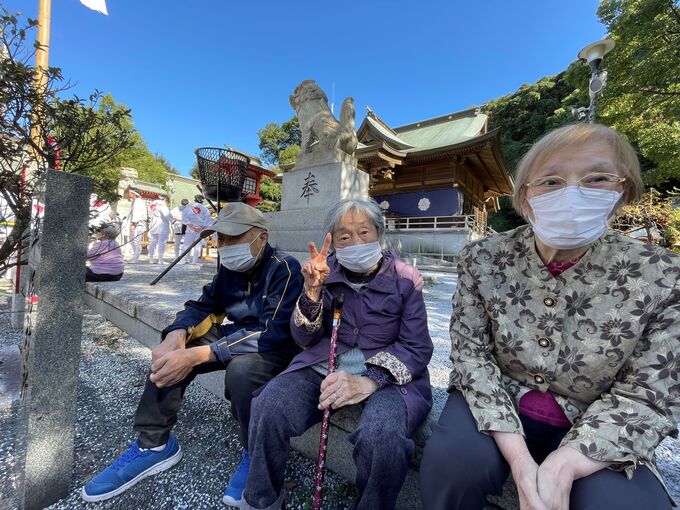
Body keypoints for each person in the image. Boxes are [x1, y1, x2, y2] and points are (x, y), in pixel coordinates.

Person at [419, 123, 679, 510]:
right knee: (453, 462)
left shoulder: (663, 274)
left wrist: (565, 464)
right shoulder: (482, 258)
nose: (572, 193)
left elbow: (650, 393)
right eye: (551, 181)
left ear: (622, 190)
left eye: (597, 178)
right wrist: (521, 461)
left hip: (598, 415)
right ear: (524, 198)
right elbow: (470, 353)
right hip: (497, 396)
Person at [81, 202, 304, 505]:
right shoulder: (229, 268)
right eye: (220, 238)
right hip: (235, 335)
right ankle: (154, 444)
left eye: (233, 237)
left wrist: (201, 355)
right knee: (171, 351)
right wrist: (176, 334)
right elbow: (202, 305)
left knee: (242, 372)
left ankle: (256, 452)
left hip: (274, 346)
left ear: (260, 237)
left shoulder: (285, 268)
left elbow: (272, 332)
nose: (224, 245)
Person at [243, 199, 433, 510]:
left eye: (364, 233)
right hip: (324, 364)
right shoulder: (325, 272)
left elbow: (417, 346)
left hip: (389, 375)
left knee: (382, 436)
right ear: (333, 241)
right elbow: (303, 337)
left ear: (380, 235)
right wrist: (312, 292)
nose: (355, 243)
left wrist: (369, 380)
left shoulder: (405, 278)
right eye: (344, 237)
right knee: (269, 404)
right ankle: (261, 498)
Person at [182, 194, 211, 265]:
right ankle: (194, 261)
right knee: (197, 245)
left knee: (187, 244)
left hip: (190, 228)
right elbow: (207, 220)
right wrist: (201, 228)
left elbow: (184, 218)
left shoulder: (188, 207)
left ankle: (184, 260)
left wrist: (191, 226)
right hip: (200, 229)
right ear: (202, 200)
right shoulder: (205, 209)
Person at [147, 198, 173, 265]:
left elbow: (149, 214)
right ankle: (160, 260)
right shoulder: (162, 205)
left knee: (152, 242)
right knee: (162, 243)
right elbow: (167, 215)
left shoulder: (152, 204)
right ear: (165, 200)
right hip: (162, 225)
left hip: (153, 224)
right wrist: (174, 219)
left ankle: (151, 259)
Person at [127, 189, 147, 264]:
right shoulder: (135, 201)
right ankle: (135, 256)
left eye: (130, 193)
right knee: (132, 240)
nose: (128, 194)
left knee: (136, 241)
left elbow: (137, 214)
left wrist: (133, 224)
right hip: (136, 224)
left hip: (138, 224)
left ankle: (136, 258)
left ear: (133, 194)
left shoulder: (138, 202)